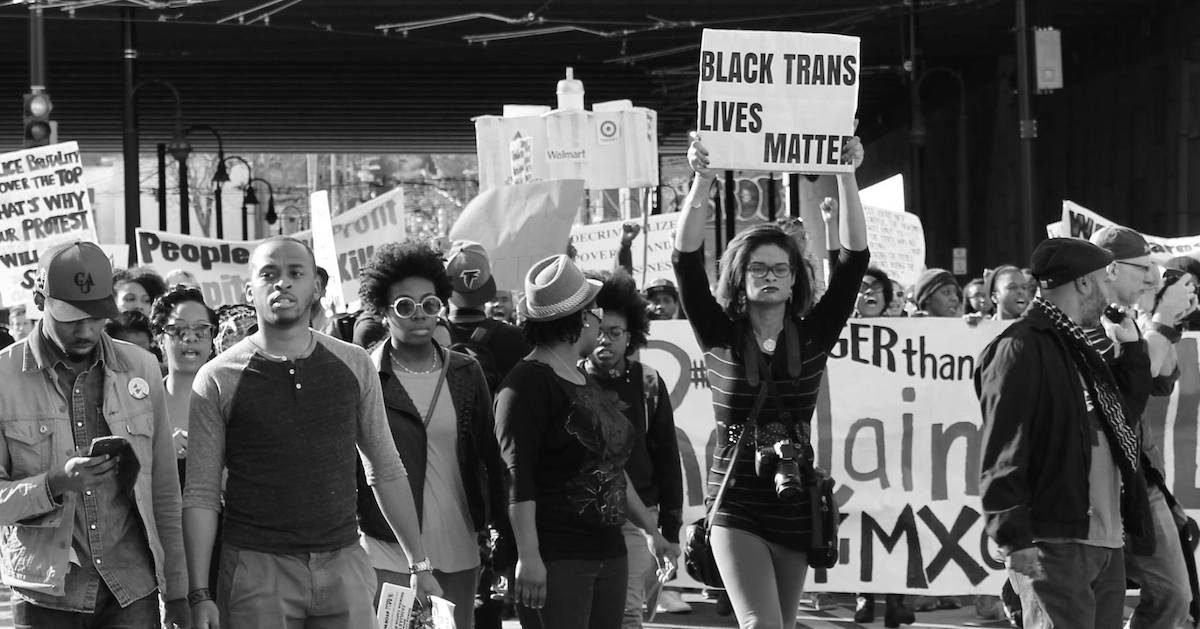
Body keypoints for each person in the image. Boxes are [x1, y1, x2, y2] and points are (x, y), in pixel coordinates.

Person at [183, 236, 440, 629]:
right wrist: (199, 592)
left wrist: (418, 563)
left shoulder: (353, 364)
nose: (281, 283)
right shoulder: (217, 378)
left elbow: (385, 468)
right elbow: (201, 493)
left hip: (345, 563)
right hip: (256, 569)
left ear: (316, 287)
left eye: (295, 273)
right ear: (249, 288)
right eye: (268, 274)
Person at [675, 132, 867, 628]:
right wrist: (702, 181)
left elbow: (853, 261)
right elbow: (685, 261)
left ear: (794, 278)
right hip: (734, 500)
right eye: (758, 268)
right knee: (761, 624)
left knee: (781, 625)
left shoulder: (815, 334)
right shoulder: (718, 333)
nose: (770, 276)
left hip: (794, 498)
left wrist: (846, 175)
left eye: (781, 268)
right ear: (740, 276)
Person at [0, 240, 189, 628]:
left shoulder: (141, 367)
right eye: (72, 317)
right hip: (45, 596)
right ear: (40, 300)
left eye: (97, 315)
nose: (86, 329)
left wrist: (179, 592)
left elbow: (165, 493)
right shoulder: (3, 377)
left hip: (133, 589)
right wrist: (54, 483)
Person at [976, 237, 1154, 629]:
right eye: (1104, 282)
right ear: (1084, 284)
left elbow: (1122, 417)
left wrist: (1132, 351)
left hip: (1105, 538)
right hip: (1054, 539)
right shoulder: (1019, 348)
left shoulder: (1079, 346)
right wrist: (1014, 537)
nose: (1111, 293)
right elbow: (1003, 450)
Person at [495, 254, 671, 629]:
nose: (599, 320)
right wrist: (528, 556)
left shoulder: (578, 378)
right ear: (578, 320)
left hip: (609, 552)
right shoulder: (524, 385)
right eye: (595, 311)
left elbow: (612, 468)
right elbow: (516, 477)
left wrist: (653, 532)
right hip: (557, 559)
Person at [355, 241, 513, 629]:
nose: (420, 315)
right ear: (383, 311)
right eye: (405, 306)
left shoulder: (465, 372)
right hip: (386, 547)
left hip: (458, 540)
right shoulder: (364, 376)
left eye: (430, 304)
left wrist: (505, 534)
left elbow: (490, 458)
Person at [1087, 226, 1191, 629]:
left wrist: (1157, 318)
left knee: (1174, 596)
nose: (1152, 278)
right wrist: (1161, 322)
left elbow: (1161, 379)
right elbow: (1127, 391)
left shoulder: (1128, 316)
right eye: (1144, 268)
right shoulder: (1086, 320)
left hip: (1140, 479)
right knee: (1097, 602)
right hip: (1098, 483)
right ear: (1110, 269)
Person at [583, 271, 685, 627]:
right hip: (580, 518)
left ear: (631, 336)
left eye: (614, 333)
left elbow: (667, 456)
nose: (605, 341)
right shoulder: (568, 379)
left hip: (638, 516)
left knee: (627, 613)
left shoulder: (648, 382)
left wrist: (669, 528)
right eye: (598, 331)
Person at [150, 285, 218, 483]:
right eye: (178, 330)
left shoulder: (231, 402)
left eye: (201, 330)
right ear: (160, 339)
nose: (190, 338)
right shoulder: (142, 406)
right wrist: (162, 456)